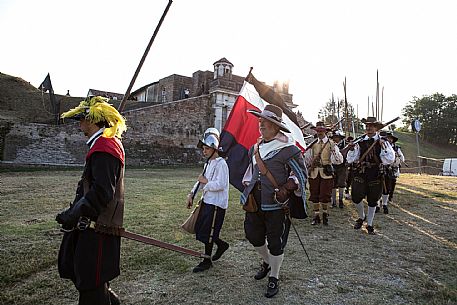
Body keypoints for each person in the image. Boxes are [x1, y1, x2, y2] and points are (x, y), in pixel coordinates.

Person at [55, 96, 127, 305]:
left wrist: (75, 213)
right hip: (93, 227)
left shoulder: (105, 146)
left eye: (82, 120)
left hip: (98, 228)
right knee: (94, 283)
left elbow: (102, 192)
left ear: (92, 121)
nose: (80, 125)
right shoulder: (104, 144)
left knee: (91, 285)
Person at [241, 104, 308, 298]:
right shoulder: (255, 148)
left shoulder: (289, 149)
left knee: (275, 242)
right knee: (253, 235)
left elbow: (301, 174)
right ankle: (268, 262)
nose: (260, 124)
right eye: (260, 121)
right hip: (255, 200)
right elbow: (251, 172)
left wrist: (287, 188)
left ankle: (274, 276)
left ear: (276, 126)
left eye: (265, 122)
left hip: (276, 204)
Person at [186, 128, 230, 273]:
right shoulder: (208, 164)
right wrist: (192, 193)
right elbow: (200, 181)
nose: (204, 151)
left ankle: (207, 260)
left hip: (216, 204)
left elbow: (221, 185)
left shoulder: (221, 164)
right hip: (207, 201)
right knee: (202, 228)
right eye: (203, 149)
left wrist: (206, 182)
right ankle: (222, 245)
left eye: (206, 148)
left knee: (209, 232)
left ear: (214, 148)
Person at [346, 117, 395, 235]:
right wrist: (352, 149)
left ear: (377, 128)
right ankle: (361, 216)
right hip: (361, 172)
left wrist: (383, 146)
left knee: (373, 200)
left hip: (375, 173)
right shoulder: (360, 141)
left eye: (371, 126)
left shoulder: (383, 142)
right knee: (356, 197)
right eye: (367, 126)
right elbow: (351, 158)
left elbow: (389, 159)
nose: (368, 128)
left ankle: (370, 224)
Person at [305, 122, 343, 225]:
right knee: (314, 194)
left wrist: (333, 152)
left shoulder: (331, 144)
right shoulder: (312, 144)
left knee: (325, 195)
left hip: (326, 173)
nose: (320, 132)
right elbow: (307, 159)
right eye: (318, 131)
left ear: (325, 131)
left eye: (321, 130)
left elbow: (339, 160)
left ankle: (325, 215)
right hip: (314, 172)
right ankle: (316, 216)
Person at [379, 131, 405, 213]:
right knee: (377, 187)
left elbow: (402, 159)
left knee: (388, 186)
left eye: (390, 138)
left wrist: (396, 158)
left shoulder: (396, 148)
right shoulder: (379, 146)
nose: (389, 140)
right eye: (387, 138)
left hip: (390, 170)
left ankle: (385, 204)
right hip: (379, 168)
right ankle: (377, 205)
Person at [330, 130, 347, 208]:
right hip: (332, 166)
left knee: (341, 183)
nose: (335, 138)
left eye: (337, 137)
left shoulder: (346, 145)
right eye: (334, 137)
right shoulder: (330, 145)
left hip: (343, 166)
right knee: (333, 184)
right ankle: (333, 201)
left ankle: (340, 200)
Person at [344, 136, 355, 200]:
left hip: (353, 167)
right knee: (347, 180)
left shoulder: (355, 147)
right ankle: (347, 192)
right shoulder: (346, 147)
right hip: (347, 166)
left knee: (352, 181)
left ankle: (352, 193)